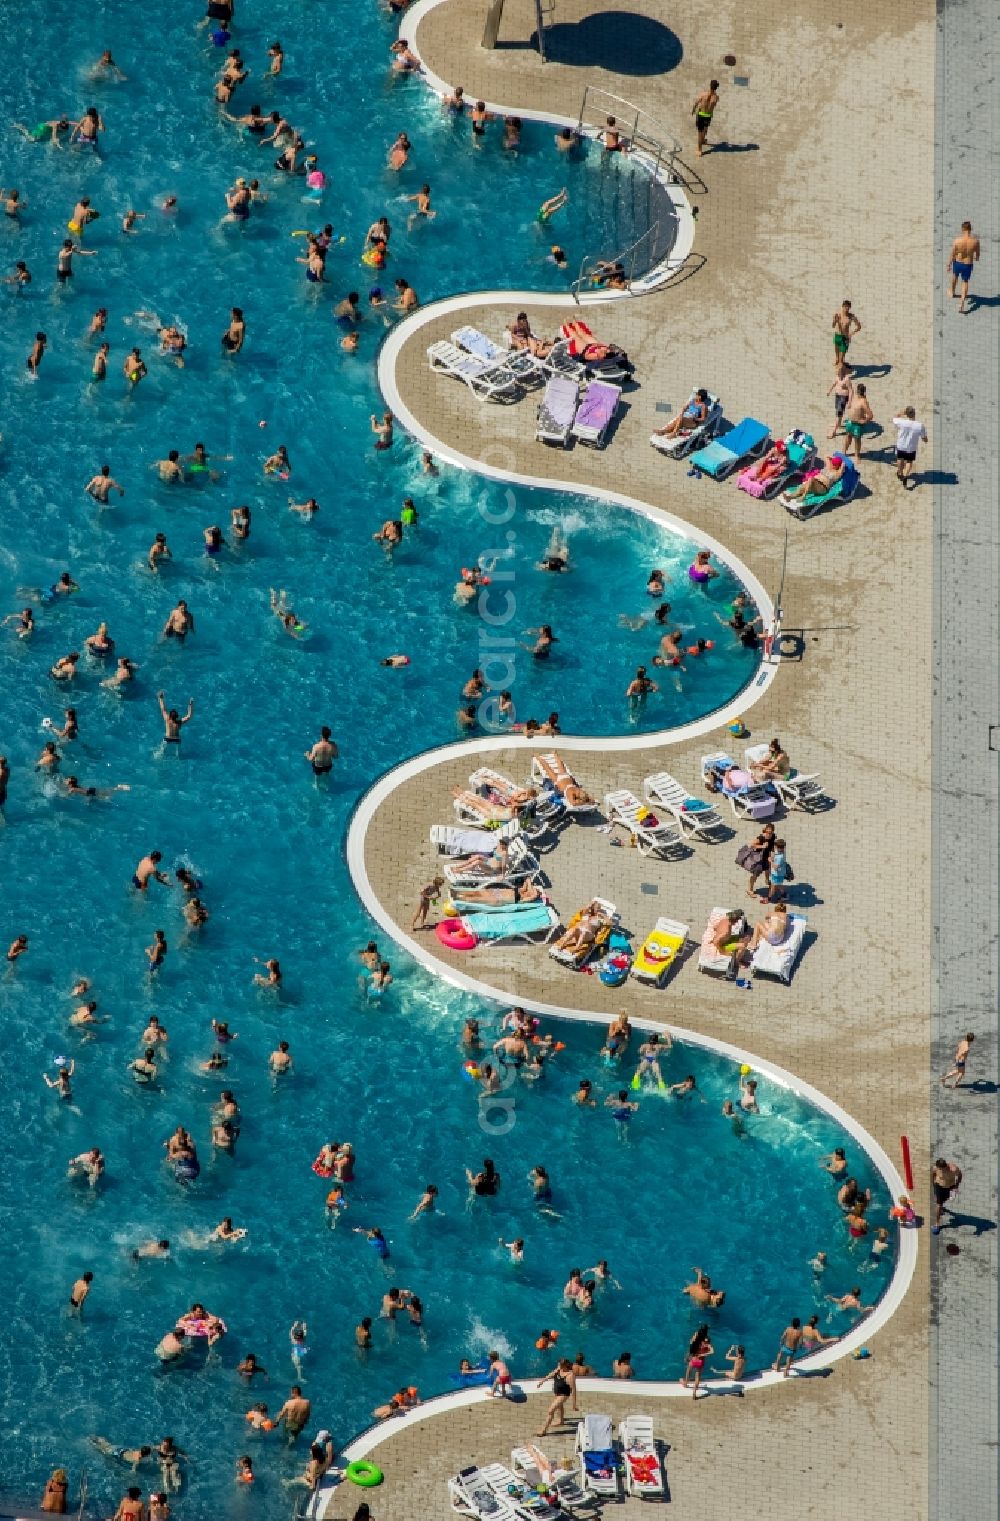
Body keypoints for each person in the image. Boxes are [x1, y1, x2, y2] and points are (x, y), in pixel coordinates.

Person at [891, 406, 928, 488]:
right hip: (911, 447)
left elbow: (894, 417)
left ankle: (900, 472)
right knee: (909, 462)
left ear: (906, 414)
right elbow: (924, 438)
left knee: (900, 459)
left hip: (901, 445)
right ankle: (905, 476)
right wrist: (926, 440)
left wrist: (902, 412)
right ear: (914, 413)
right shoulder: (919, 425)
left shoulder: (901, 422)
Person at [535, 1359, 574, 1435]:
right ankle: (561, 1421)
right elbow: (551, 1374)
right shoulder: (558, 1370)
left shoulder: (570, 1375)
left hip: (564, 1394)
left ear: (563, 1366)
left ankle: (543, 1430)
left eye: (559, 1365)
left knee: (551, 1410)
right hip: (558, 1393)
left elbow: (574, 1390)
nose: (558, 1366)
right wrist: (542, 1381)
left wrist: (574, 1404)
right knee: (560, 1406)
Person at [948, 221, 980, 312]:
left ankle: (952, 292)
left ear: (962, 229)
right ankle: (962, 302)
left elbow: (952, 254)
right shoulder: (975, 241)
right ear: (970, 229)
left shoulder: (957, 240)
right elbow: (977, 256)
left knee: (955, 276)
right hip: (968, 264)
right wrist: (974, 257)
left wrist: (949, 264)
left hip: (958, 262)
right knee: (965, 282)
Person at [841, 383, 874, 459]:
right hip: (850, 422)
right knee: (848, 436)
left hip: (857, 425)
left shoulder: (864, 402)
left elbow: (870, 415)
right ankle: (844, 452)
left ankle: (857, 455)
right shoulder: (854, 397)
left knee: (857, 440)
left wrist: (864, 421)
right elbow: (849, 390)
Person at [931, 1157, 962, 1232]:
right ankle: (937, 1223)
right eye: (939, 1169)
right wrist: (933, 1183)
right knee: (939, 1204)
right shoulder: (936, 1168)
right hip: (939, 1187)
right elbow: (933, 1174)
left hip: (949, 1187)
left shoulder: (953, 1169)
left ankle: (941, 1208)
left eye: (941, 1169)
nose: (940, 1170)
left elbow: (960, 1175)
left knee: (945, 1199)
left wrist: (957, 1185)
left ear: (945, 1166)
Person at [681, 1326, 713, 1396]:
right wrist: (702, 1354)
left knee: (688, 1371)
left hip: (694, 1359)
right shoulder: (707, 1340)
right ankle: (694, 1392)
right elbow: (712, 1351)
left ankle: (685, 1384)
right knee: (698, 1376)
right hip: (701, 1361)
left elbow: (691, 1343)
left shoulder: (697, 1338)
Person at [691, 81, 719, 154]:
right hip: (708, 115)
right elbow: (713, 107)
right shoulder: (716, 97)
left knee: (700, 132)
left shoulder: (703, 94)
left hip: (701, 114)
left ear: (710, 85)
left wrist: (693, 110)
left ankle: (699, 149)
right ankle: (703, 140)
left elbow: (696, 102)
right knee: (705, 129)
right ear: (716, 88)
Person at [832, 299, 861, 366]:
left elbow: (859, 326)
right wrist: (835, 321)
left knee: (841, 360)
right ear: (842, 306)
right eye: (845, 306)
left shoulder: (851, 317)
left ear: (849, 308)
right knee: (837, 356)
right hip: (837, 336)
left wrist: (852, 333)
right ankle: (838, 361)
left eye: (848, 307)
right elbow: (833, 326)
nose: (846, 308)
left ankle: (841, 373)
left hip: (845, 338)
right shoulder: (838, 315)